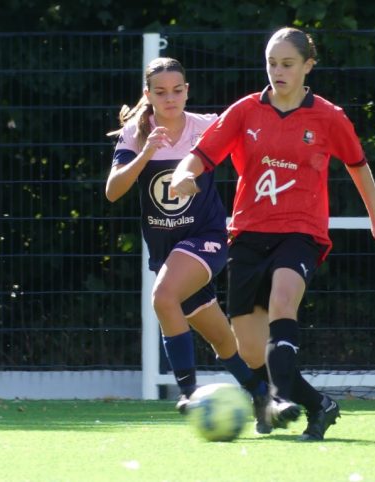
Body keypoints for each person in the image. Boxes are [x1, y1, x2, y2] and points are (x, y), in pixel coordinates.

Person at [170, 28, 375, 442]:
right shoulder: (245, 111)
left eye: (287, 64)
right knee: (249, 348)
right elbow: (200, 155)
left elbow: (358, 164)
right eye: (271, 63)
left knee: (283, 301)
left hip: (301, 232)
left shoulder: (328, 117)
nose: (277, 71)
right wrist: (181, 175)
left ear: (307, 66)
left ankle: (277, 400)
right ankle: (313, 405)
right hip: (247, 234)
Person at [105, 57, 269, 432]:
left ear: (187, 91)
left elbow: (253, 148)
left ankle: (188, 392)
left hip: (207, 239)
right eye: (161, 92)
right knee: (221, 338)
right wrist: (146, 152)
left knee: (163, 298)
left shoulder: (206, 126)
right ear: (148, 94)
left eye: (178, 90)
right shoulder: (136, 133)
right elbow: (113, 192)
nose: (170, 98)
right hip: (168, 252)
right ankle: (262, 393)